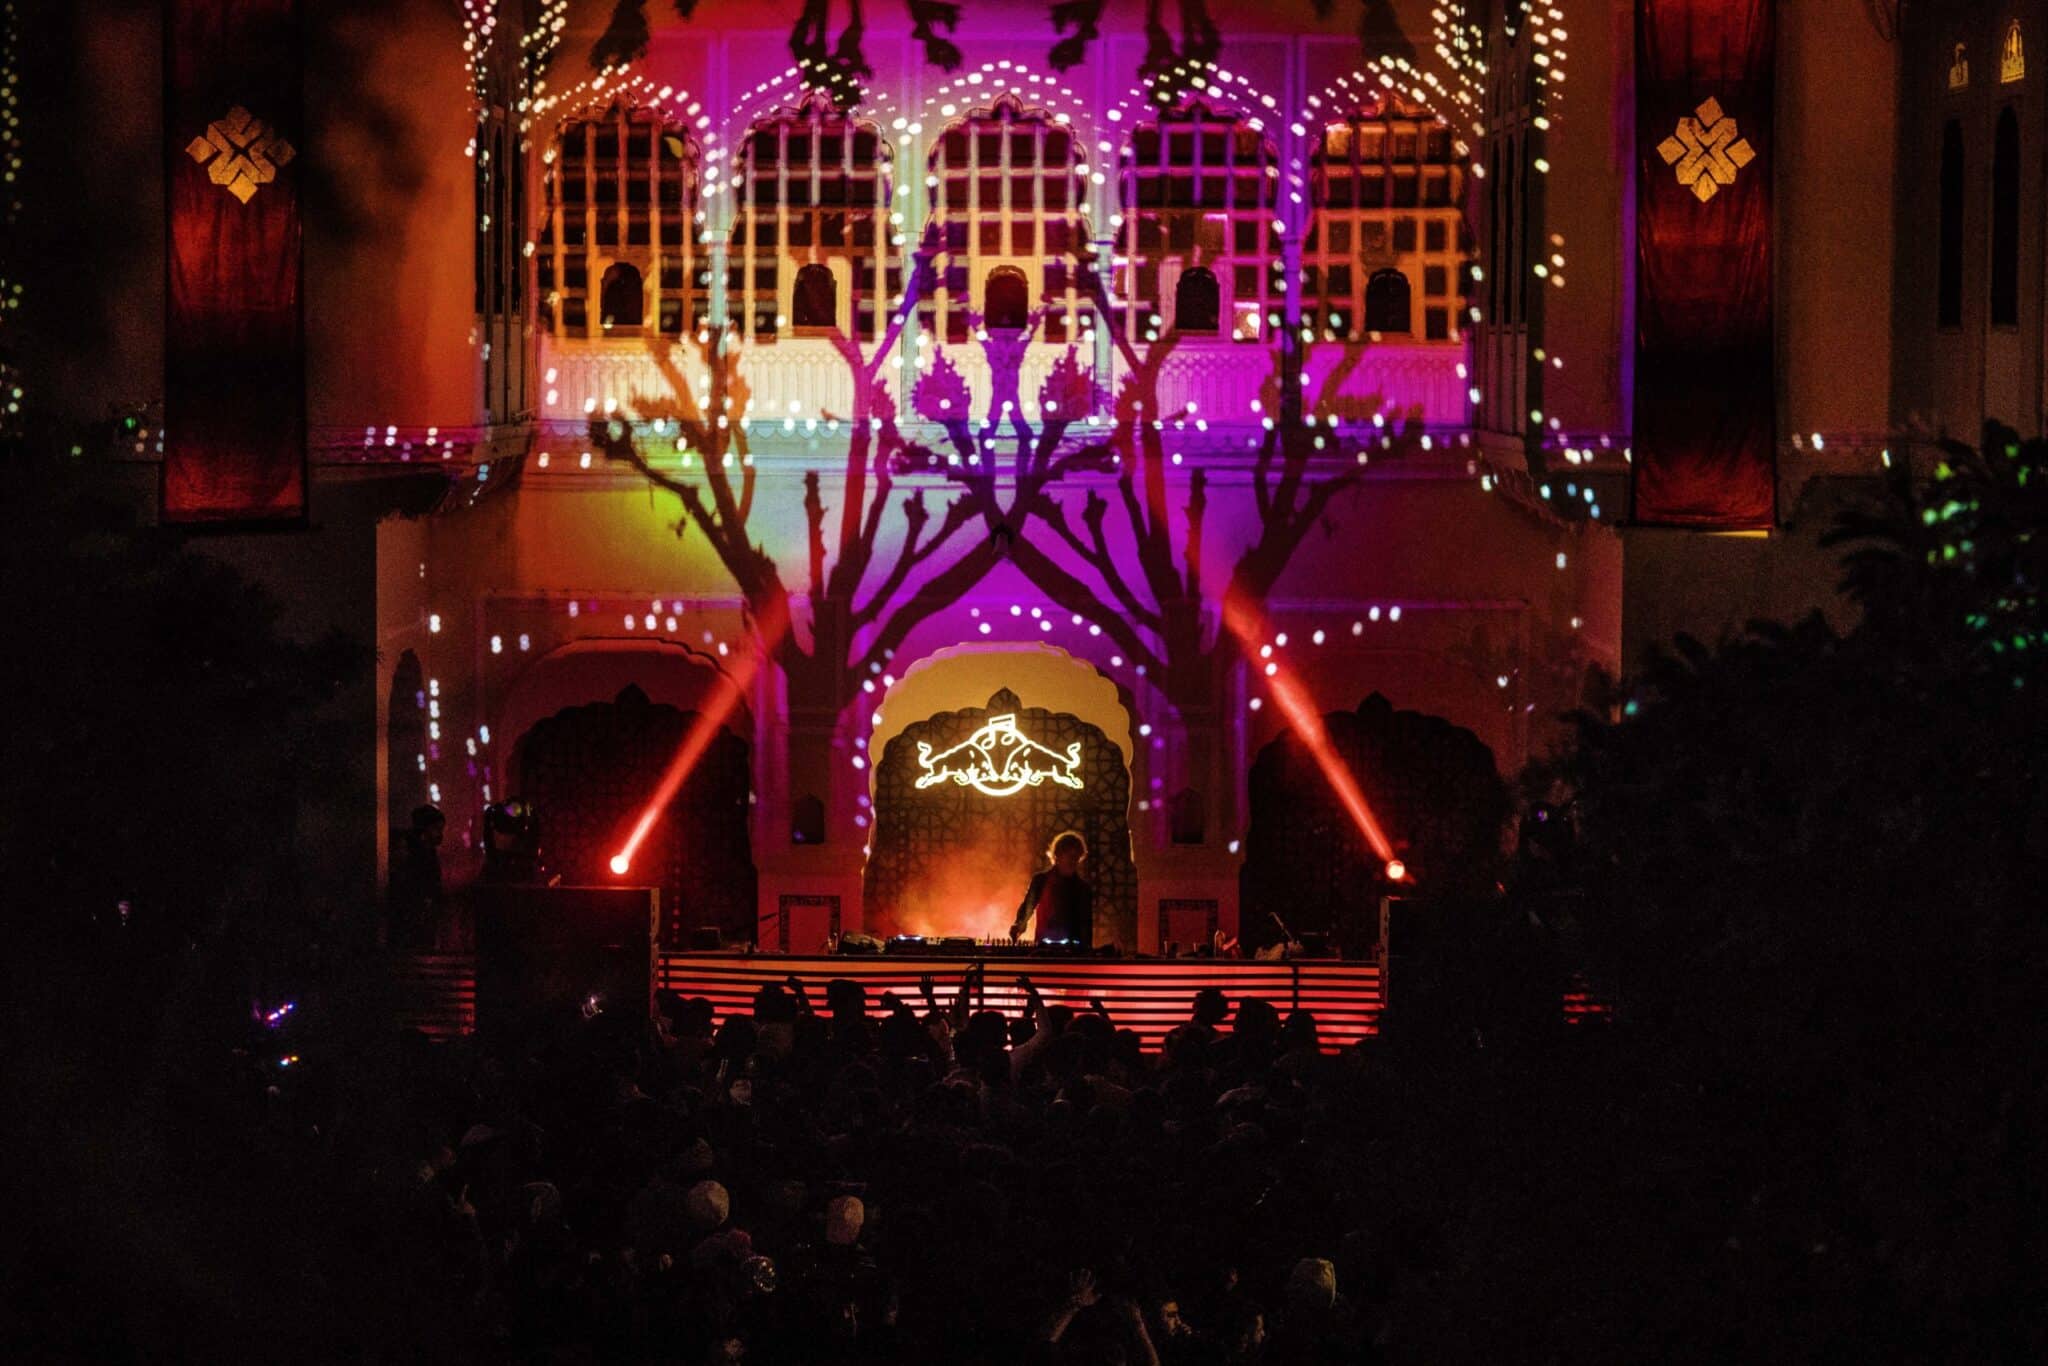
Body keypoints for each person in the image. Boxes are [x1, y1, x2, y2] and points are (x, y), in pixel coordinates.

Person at [1010, 831, 1095, 948]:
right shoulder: (1041, 880)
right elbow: (1027, 908)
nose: (1073, 861)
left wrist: (1086, 953)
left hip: (1073, 952)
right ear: (1058, 855)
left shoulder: (1083, 889)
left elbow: (1086, 925)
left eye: (1076, 857)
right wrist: (1019, 924)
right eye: (1070, 856)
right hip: (1043, 948)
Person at [388, 804, 445, 950]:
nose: (440, 834)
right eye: (437, 829)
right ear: (425, 829)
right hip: (409, 917)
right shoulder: (411, 849)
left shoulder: (427, 851)